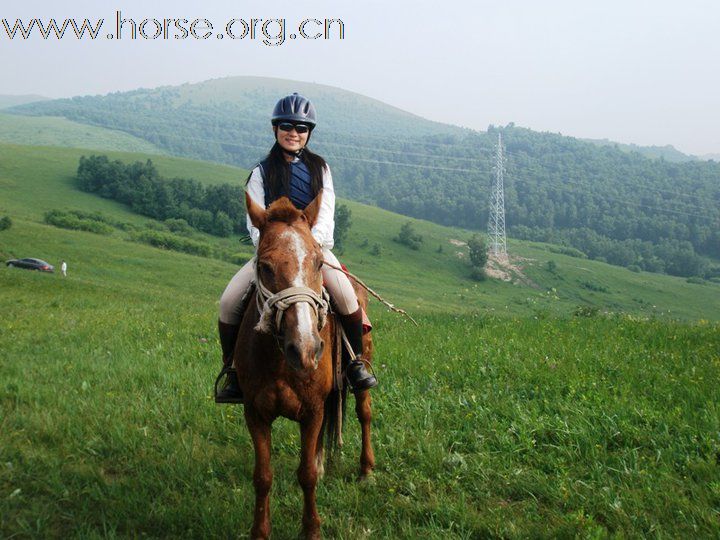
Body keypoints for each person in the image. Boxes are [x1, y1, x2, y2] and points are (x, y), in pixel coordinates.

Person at [215, 93, 377, 404]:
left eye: (301, 128)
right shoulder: (261, 172)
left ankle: (355, 364)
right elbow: (255, 223)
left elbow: (325, 213)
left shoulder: (321, 169)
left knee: (346, 296)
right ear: (276, 129)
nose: (294, 132)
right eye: (287, 126)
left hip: (313, 251)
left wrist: (308, 246)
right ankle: (233, 370)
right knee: (228, 302)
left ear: (309, 133)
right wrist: (274, 248)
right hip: (273, 255)